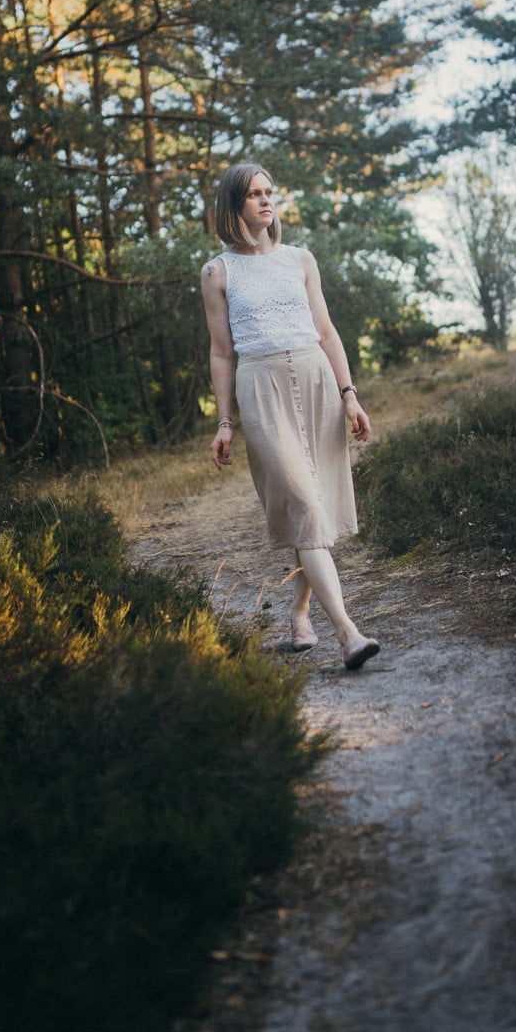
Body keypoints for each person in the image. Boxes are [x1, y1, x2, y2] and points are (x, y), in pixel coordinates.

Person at [200, 161, 380, 670]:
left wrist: (349, 394)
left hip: (317, 379)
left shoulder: (300, 259)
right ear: (233, 205)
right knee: (301, 501)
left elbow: (326, 331)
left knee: (313, 509)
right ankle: (347, 633)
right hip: (261, 388)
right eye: (253, 194)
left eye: (269, 192)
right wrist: (224, 422)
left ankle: (300, 615)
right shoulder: (216, 272)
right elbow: (221, 352)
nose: (266, 201)